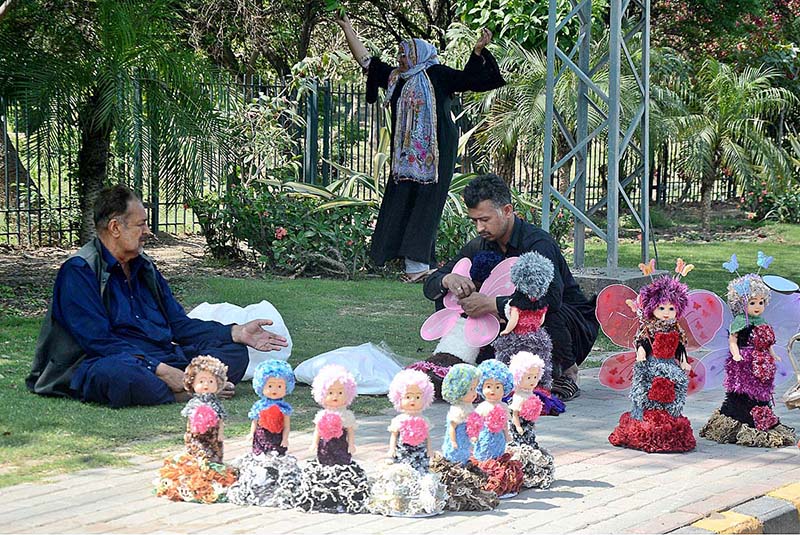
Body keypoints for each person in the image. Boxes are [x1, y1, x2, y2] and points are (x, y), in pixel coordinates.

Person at [26, 184, 288, 408]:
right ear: (115, 227)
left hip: (161, 356)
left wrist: (235, 332)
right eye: (141, 224)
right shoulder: (79, 271)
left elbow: (179, 325)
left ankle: (192, 384)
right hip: (110, 360)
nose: (148, 232)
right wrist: (162, 372)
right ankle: (187, 392)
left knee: (233, 352)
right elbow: (100, 342)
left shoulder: (144, 267)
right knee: (119, 376)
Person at [335, 14, 505, 283]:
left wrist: (478, 51)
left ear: (417, 55)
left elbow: (471, 79)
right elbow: (367, 62)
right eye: (400, 55)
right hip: (405, 160)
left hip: (435, 156)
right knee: (400, 202)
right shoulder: (395, 78)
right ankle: (397, 259)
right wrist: (347, 28)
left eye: (404, 54)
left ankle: (417, 267)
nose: (400, 59)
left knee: (427, 204)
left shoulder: (437, 74)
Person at [424, 173, 599, 400]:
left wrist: (491, 304)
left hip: (566, 327)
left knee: (541, 308)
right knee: (449, 300)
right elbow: (431, 285)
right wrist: (448, 280)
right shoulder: (481, 244)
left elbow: (551, 298)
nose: (479, 228)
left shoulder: (538, 243)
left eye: (485, 219)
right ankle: (456, 363)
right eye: (475, 221)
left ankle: (567, 373)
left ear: (507, 211)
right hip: (510, 326)